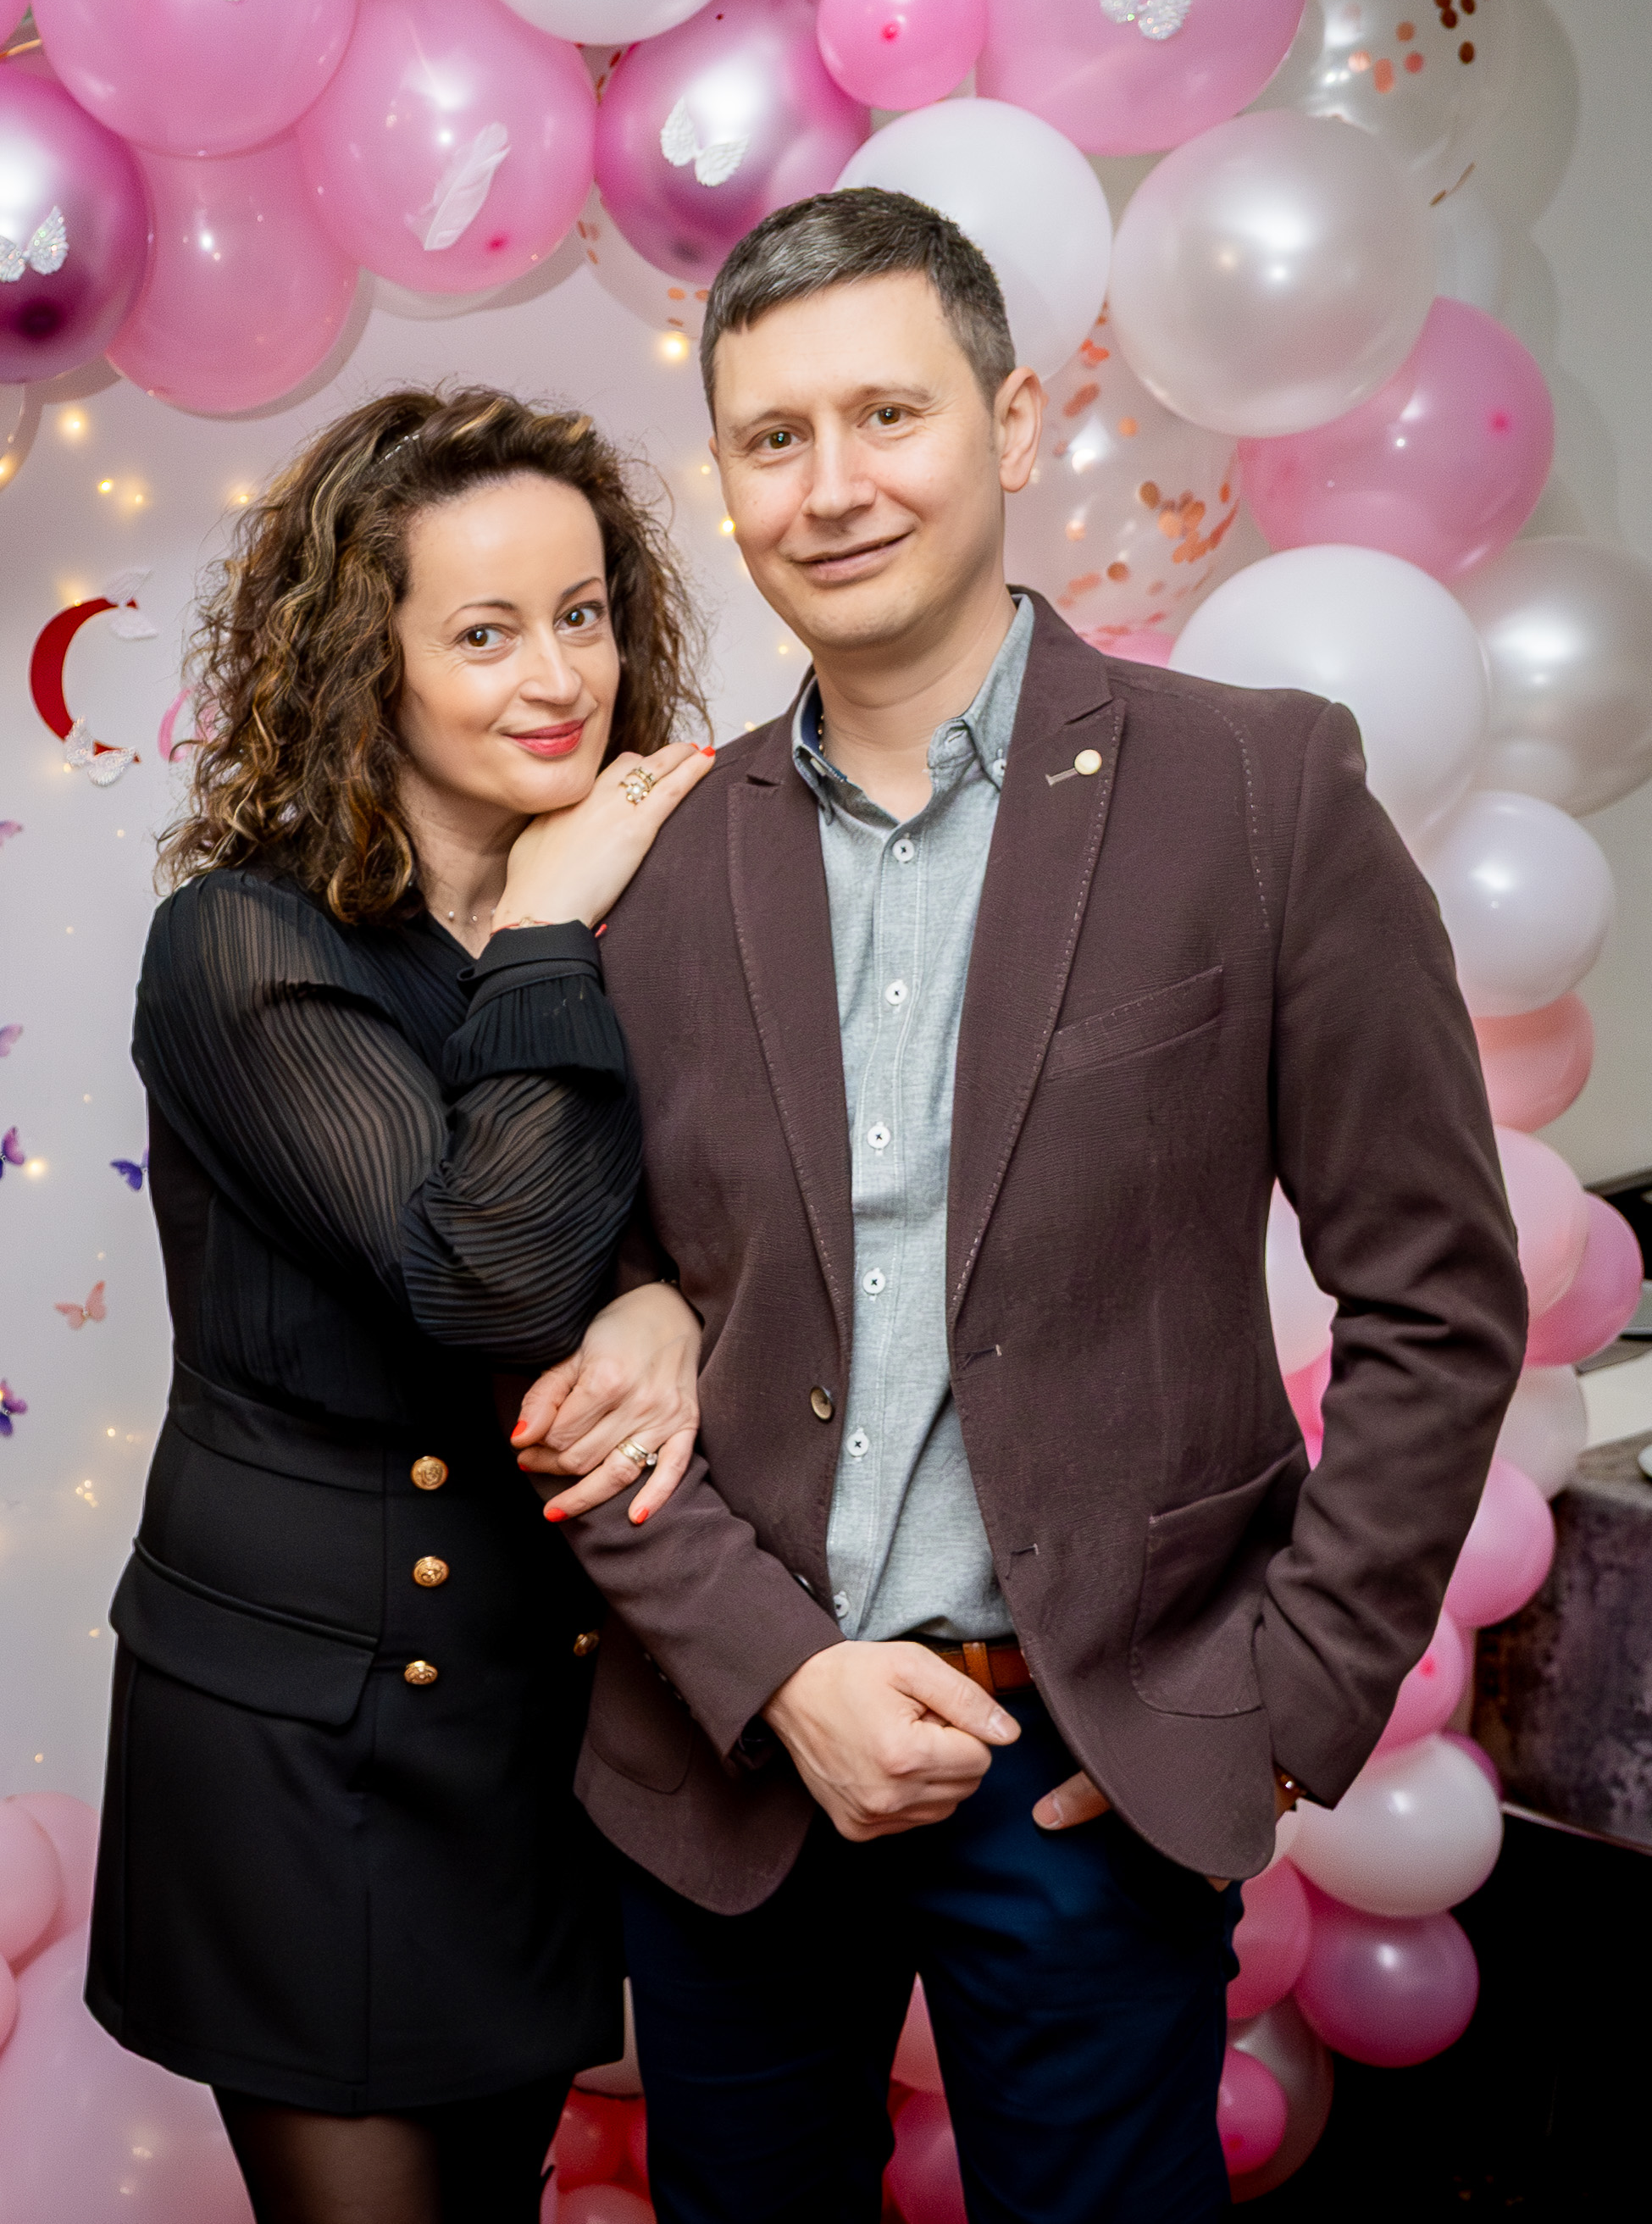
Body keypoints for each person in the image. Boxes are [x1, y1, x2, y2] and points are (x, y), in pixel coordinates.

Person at [527, 191, 1528, 2221]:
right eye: (772, 437)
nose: (830, 486)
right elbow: (554, 1323)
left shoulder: (1256, 790)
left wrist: (1274, 1707)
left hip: (1098, 1771)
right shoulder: (646, 859)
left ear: (1010, 419)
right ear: (724, 477)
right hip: (734, 1760)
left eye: (886, 414)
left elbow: (1436, 1294)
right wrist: (772, 1669)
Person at [86, 386, 714, 2224]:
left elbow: (749, 1216)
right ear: (371, 662)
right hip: (298, 1733)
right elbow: (481, 1271)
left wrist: (668, 1304)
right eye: (485, 632)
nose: (559, 678)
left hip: (532, 1712)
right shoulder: (241, 941)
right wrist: (547, 929)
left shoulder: (656, 906)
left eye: (583, 614)